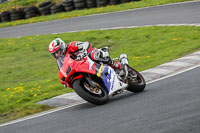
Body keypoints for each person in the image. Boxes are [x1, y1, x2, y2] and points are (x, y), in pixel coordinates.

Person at [48, 38, 127, 80]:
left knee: (94, 55)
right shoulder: (60, 60)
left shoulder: (71, 45)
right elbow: (62, 69)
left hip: (88, 56)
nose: (57, 54)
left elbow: (86, 44)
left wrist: (84, 52)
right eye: (55, 53)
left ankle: (117, 66)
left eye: (58, 51)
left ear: (62, 46)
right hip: (82, 67)